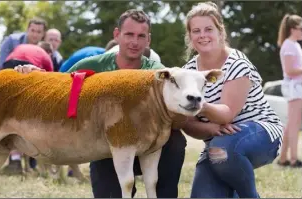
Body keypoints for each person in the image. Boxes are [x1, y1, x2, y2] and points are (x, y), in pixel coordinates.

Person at [14, 9, 187, 198]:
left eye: (141, 36)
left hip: (150, 147)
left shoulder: (156, 72)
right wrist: (36, 74)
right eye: (129, 34)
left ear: (148, 40)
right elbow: (59, 86)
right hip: (105, 150)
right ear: (117, 35)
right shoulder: (93, 65)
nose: (134, 42)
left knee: (175, 139)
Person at [179, 2, 283, 198]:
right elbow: (187, 123)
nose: (203, 35)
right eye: (196, 30)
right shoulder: (188, 72)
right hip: (216, 143)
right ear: (190, 36)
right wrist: (209, 129)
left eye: (209, 29)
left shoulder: (236, 63)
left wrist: (197, 103)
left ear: (220, 31)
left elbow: (226, 114)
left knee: (223, 149)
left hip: (261, 131)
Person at [276, 14, 302, 168]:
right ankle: (293, 160)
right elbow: (290, 70)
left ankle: (283, 158)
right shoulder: (289, 45)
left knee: (291, 125)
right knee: (294, 125)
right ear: (292, 29)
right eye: (301, 28)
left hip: (297, 87)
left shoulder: (295, 45)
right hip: (294, 88)